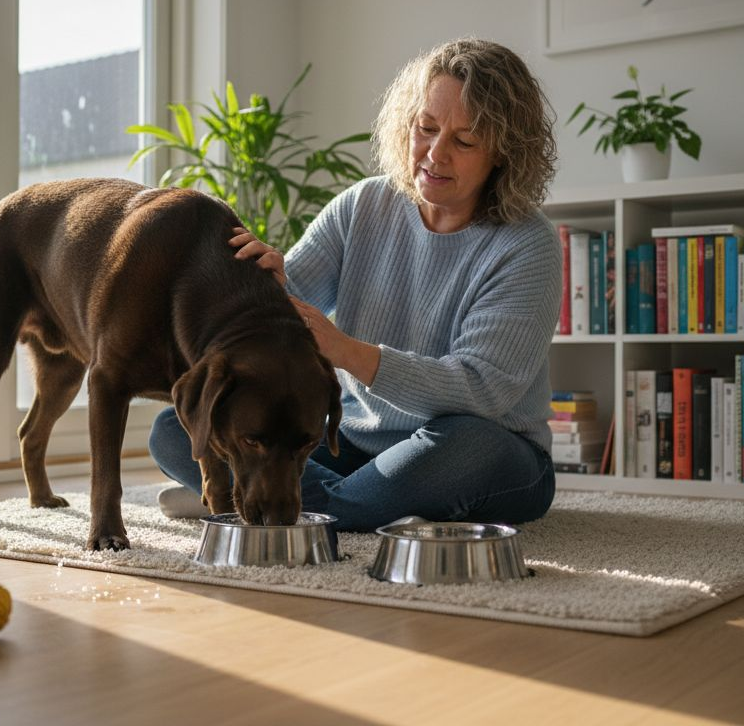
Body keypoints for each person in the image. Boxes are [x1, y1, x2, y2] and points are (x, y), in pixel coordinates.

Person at [150, 37, 563, 531]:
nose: (435, 154)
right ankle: (346, 502)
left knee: (472, 443)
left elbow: (482, 391)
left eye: (465, 141)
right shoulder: (363, 204)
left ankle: (251, 495)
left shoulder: (527, 244)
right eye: (426, 128)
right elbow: (288, 311)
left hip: (479, 447)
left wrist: (348, 352)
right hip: (357, 445)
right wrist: (270, 284)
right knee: (176, 427)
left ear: (503, 153)